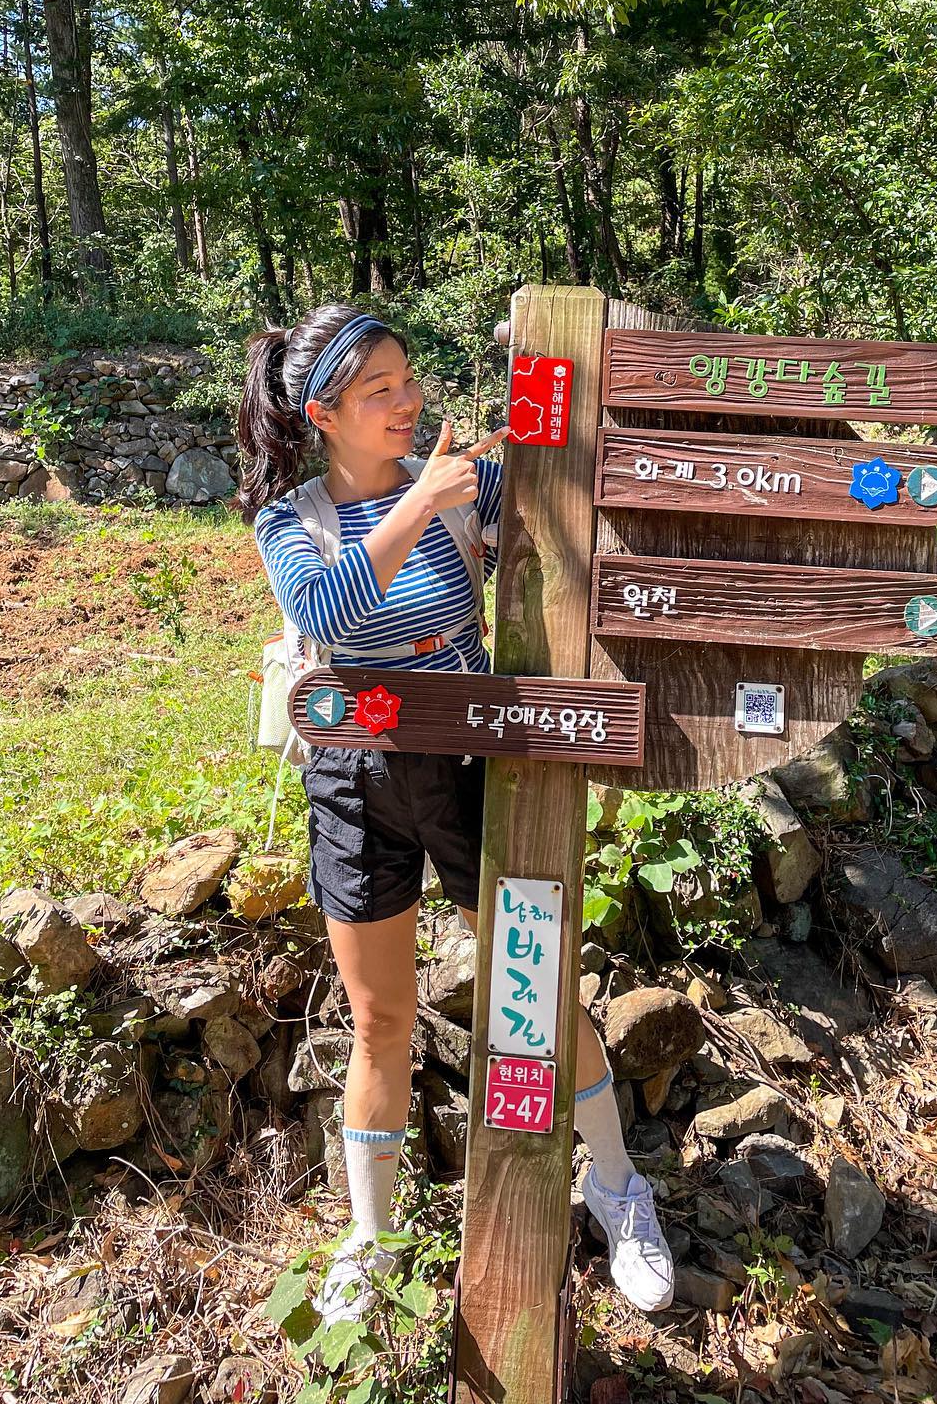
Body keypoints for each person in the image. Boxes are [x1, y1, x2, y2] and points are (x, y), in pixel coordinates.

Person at [239, 302, 674, 1323]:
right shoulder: (288, 520)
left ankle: (617, 1186)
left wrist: (516, 448)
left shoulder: (457, 494)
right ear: (323, 414)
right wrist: (418, 496)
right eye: (378, 390)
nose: (406, 402)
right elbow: (327, 615)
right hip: (353, 781)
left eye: (408, 380)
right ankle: (372, 1238)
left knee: (544, 984)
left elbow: (565, 512)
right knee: (382, 1018)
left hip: (481, 767)